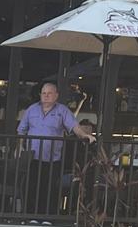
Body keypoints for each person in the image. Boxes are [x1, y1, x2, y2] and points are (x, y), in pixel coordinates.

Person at [17, 81, 95, 219]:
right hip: (33, 157)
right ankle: (31, 217)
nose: (46, 96)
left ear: (56, 95)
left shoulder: (62, 111)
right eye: (43, 93)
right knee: (32, 187)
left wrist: (85, 135)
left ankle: (48, 218)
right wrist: (19, 148)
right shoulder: (31, 110)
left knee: (50, 189)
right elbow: (21, 131)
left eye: (49, 93)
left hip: (53, 158)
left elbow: (74, 127)